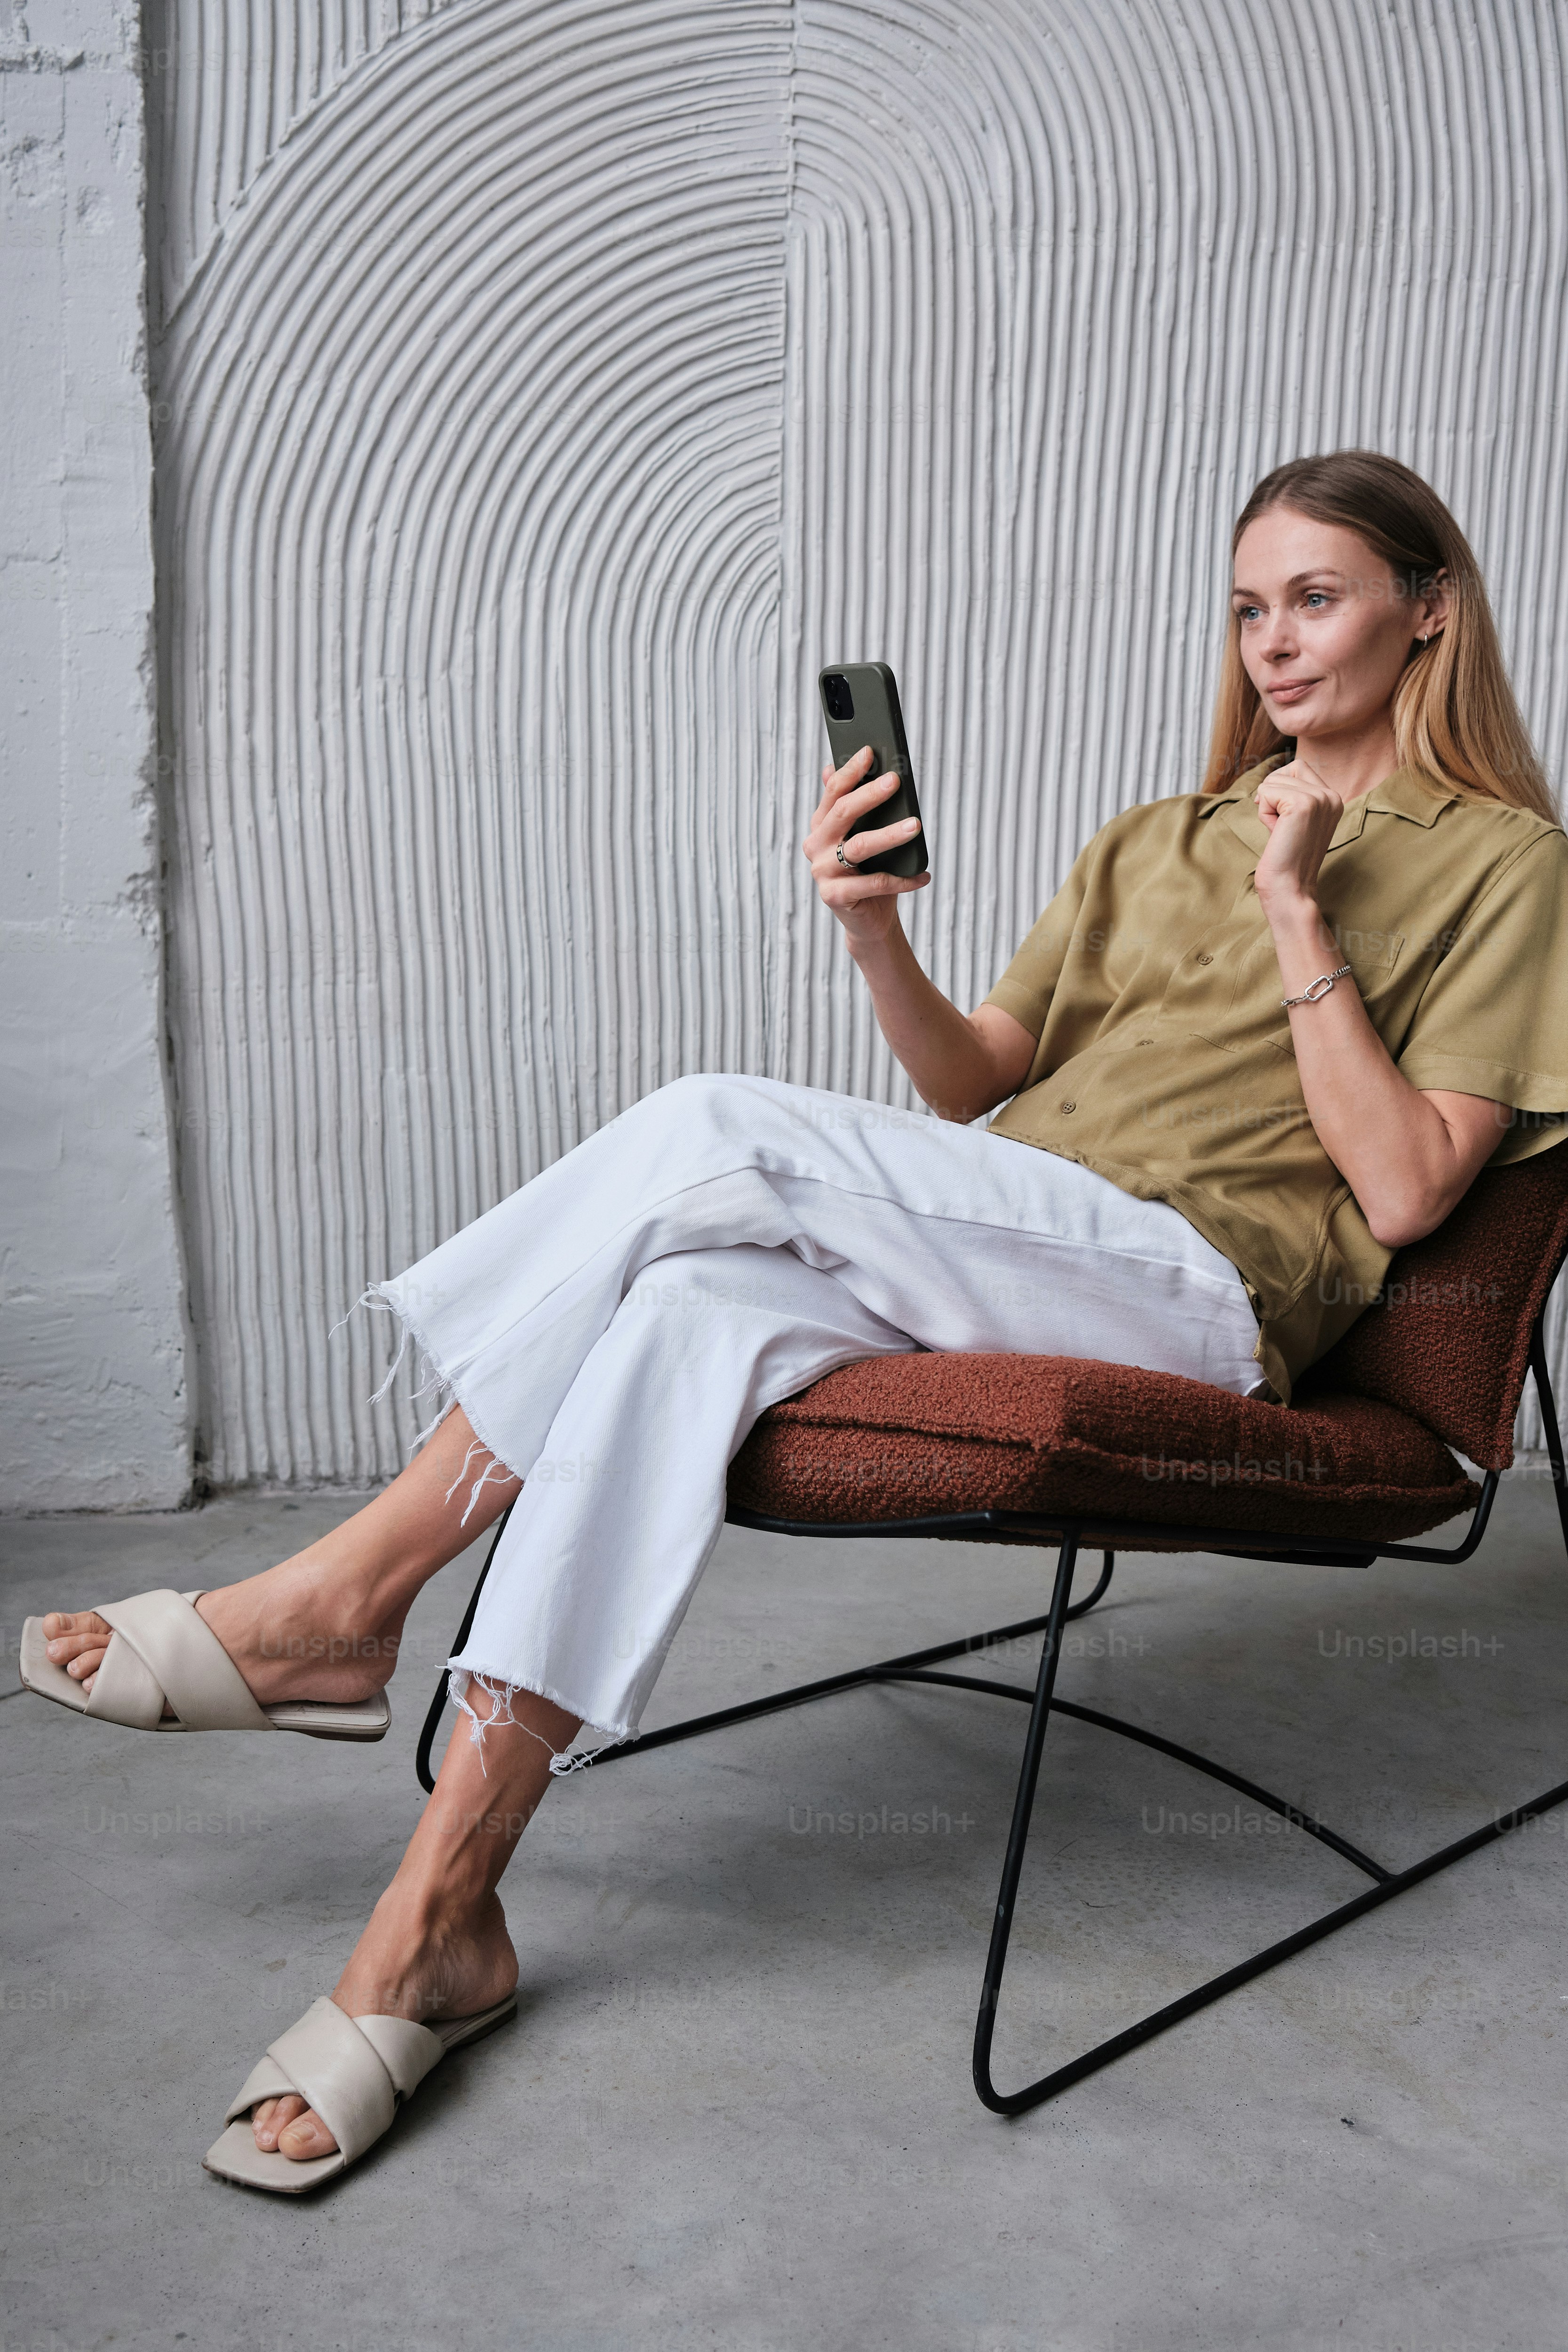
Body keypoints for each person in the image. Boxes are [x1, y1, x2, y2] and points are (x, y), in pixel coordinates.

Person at [26, 449, 1568, 2189]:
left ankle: (343, 1597)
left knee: (709, 1127)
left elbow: (1417, 1189)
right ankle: (441, 1916)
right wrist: (872, 934)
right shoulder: (1162, 838)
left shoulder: (1507, 865)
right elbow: (976, 1081)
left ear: (1427, 608)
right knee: (687, 1301)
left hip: (1204, 1298)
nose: (1271, 644)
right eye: (1245, 607)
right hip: (1021, 1237)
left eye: (1316, 598)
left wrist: (1303, 904)